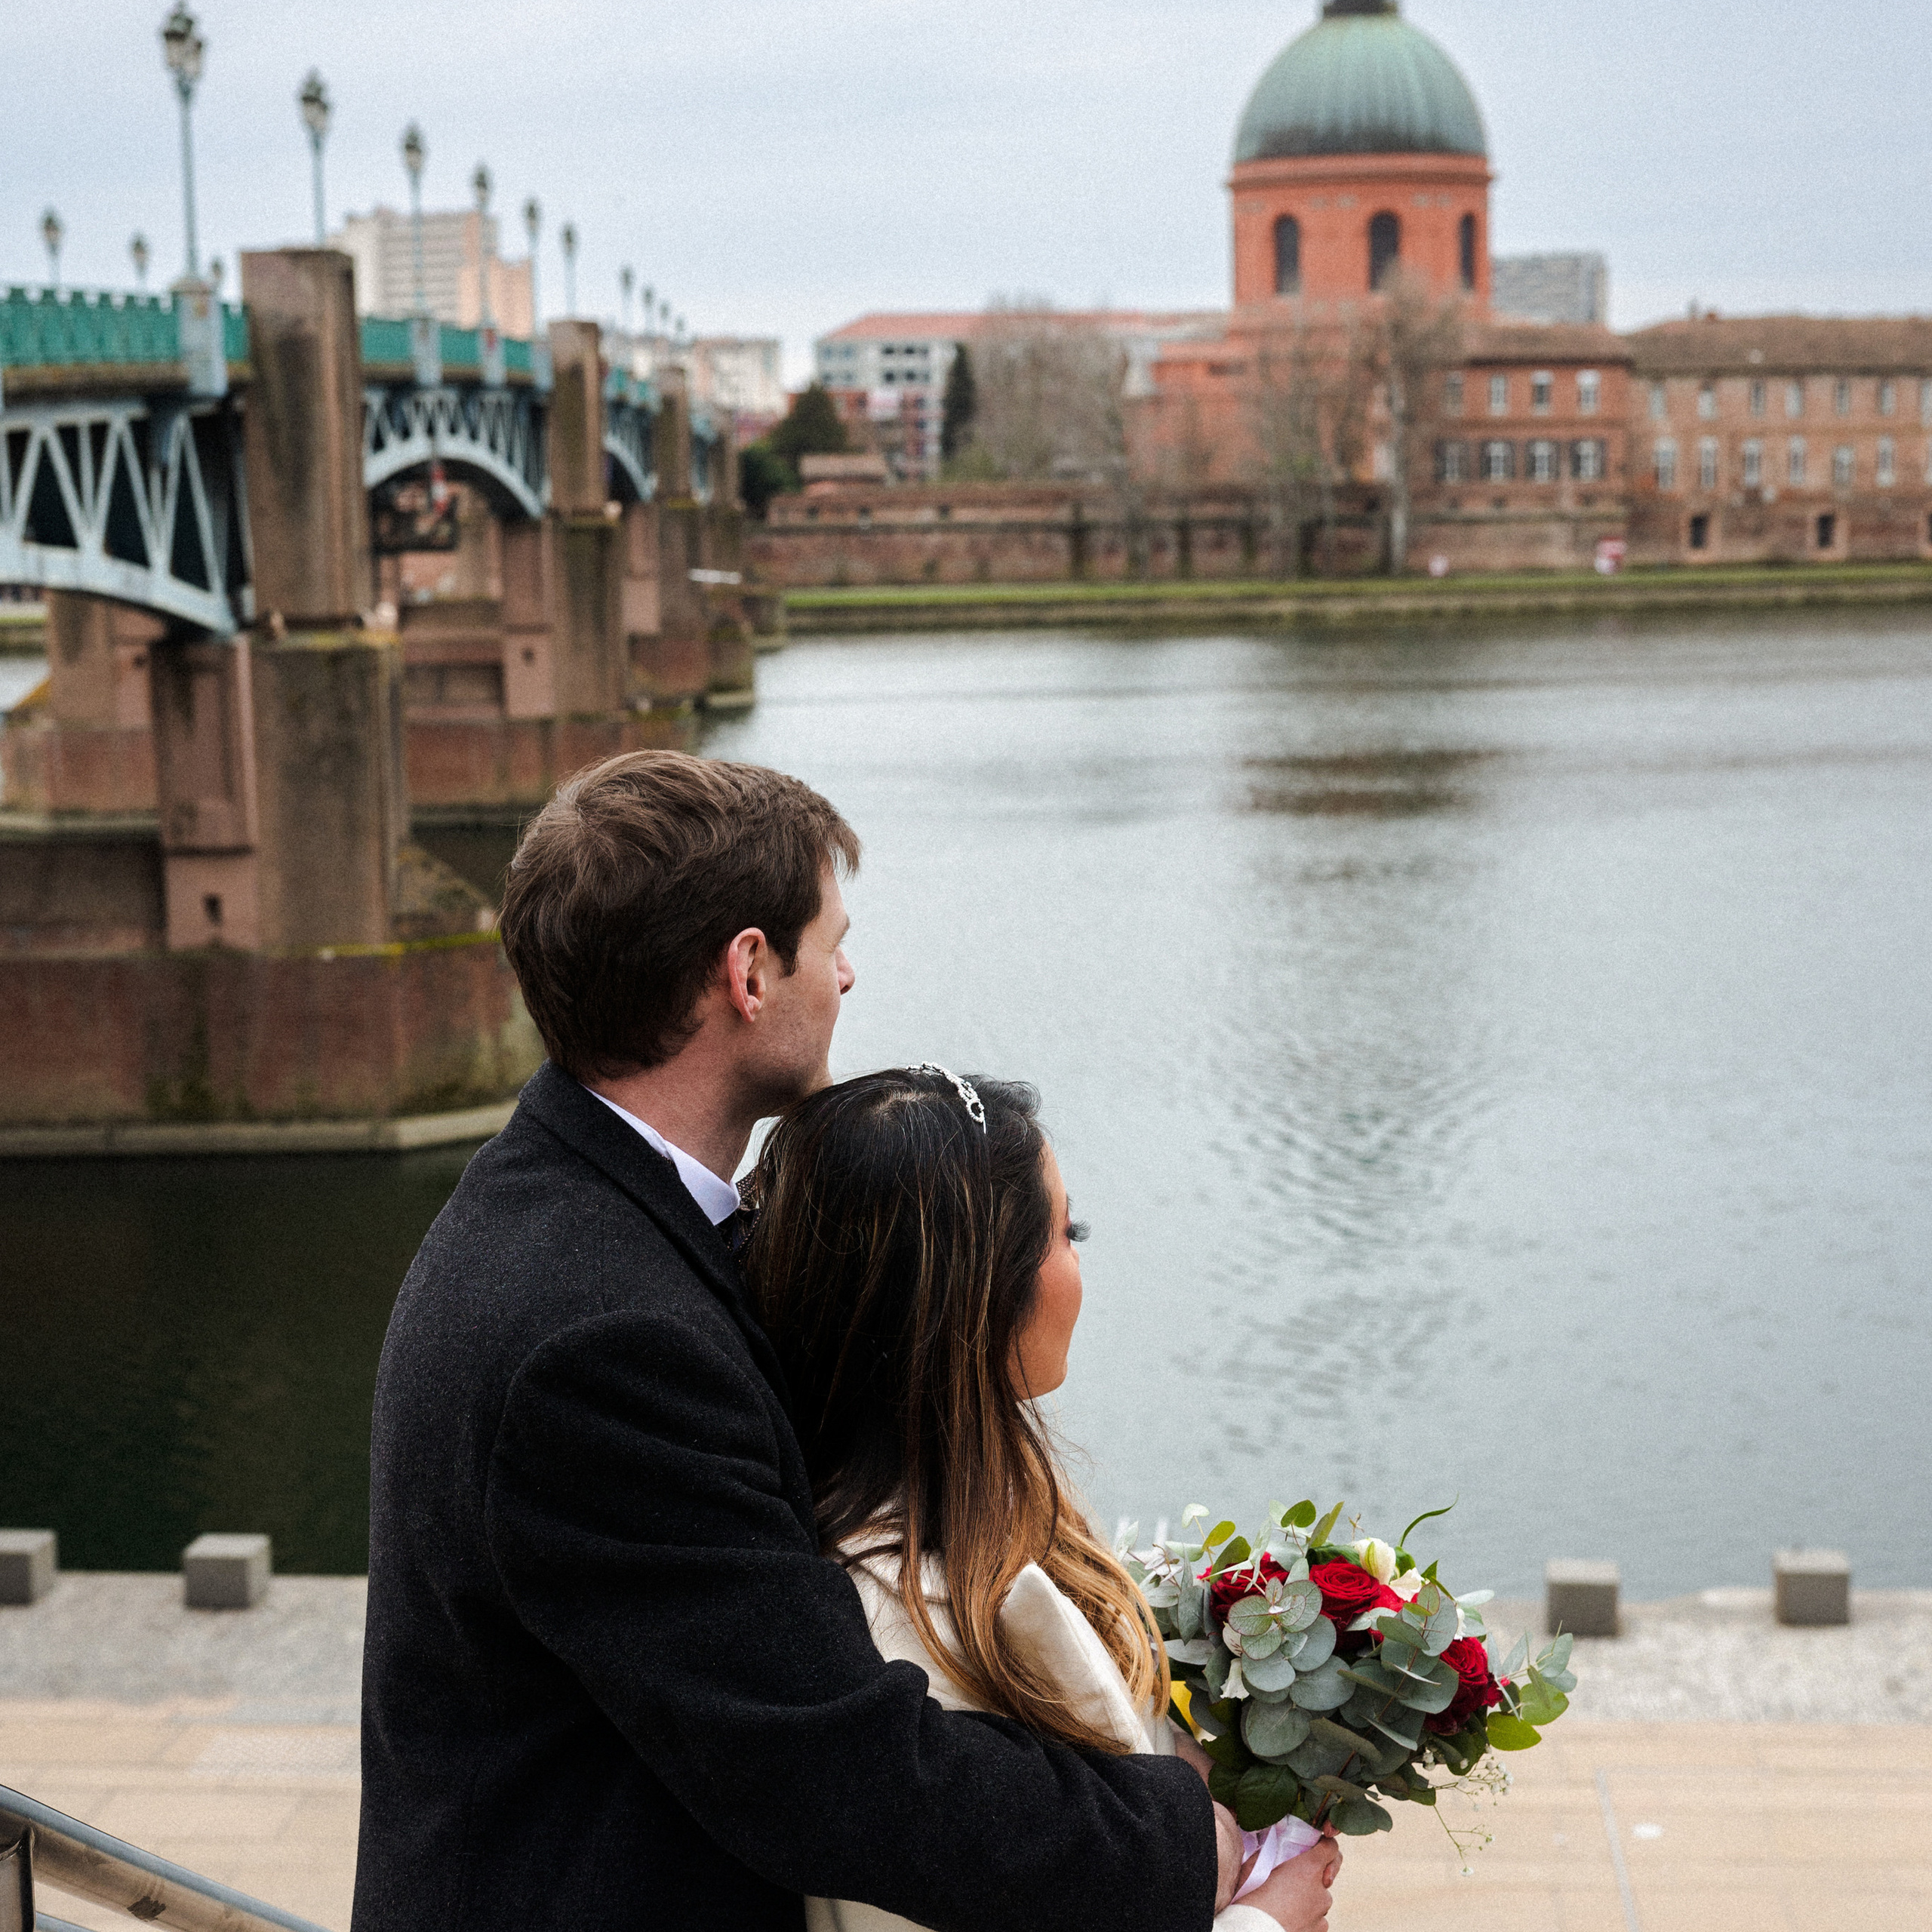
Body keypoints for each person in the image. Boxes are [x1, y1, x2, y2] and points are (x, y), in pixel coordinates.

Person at [352, 749, 1262, 1932]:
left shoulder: (569, 1208)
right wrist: (1182, 1844)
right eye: (831, 943)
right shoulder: (604, 1339)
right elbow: (832, 1769)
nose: (847, 975)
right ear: (747, 971)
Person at [743, 1068, 1343, 1932]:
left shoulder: (993, 1507)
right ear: (983, 1290)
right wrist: (1265, 1924)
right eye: (1067, 1232)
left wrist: (1199, 1773)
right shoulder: (899, 1623)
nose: (1078, 1263)